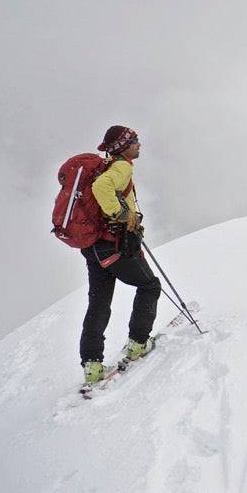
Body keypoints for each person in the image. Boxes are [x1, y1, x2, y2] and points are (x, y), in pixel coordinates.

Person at [79, 125, 161, 385]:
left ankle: (92, 366)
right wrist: (123, 214)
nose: (139, 144)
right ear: (123, 146)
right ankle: (138, 343)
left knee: (99, 302)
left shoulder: (107, 165)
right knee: (150, 286)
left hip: (93, 247)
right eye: (134, 140)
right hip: (112, 245)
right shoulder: (121, 167)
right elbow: (102, 188)